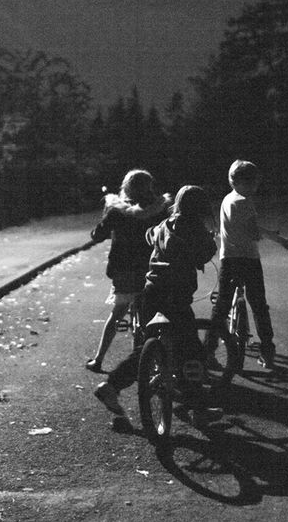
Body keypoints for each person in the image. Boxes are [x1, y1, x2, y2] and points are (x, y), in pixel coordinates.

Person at [94, 185, 218, 416]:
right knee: (192, 349)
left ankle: (111, 386)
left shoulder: (164, 225)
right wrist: (207, 243)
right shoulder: (195, 228)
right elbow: (204, 253)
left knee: (148, 345)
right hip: (176, 294)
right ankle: (197, 408)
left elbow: (148, 235)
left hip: (151, 292)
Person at [209, 159, 288, 371]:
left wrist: (276, 238)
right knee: (259, 306)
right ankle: (267, 351)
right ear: (240, 182)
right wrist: (278, 240)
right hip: (248, 259)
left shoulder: (227, 199)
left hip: (229, 258)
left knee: (222, 306)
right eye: (253, 183)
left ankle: (208, 350)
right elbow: (253, 230)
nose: (255, 187)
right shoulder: (244, 202)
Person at [86, 169, 171, 373]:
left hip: (123, 270)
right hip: (151, 269)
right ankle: (157, 359)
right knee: (151, 314)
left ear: (126, 188)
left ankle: (98, 359)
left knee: (117, 314)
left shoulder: (117, 211)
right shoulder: (159, 209)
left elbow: (97, 235)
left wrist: (105, 222)